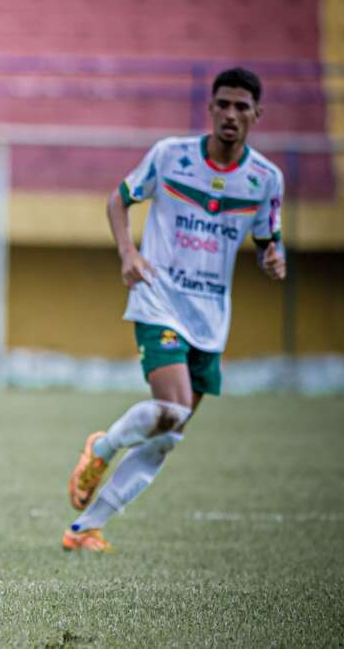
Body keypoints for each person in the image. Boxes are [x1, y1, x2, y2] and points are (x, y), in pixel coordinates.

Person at [62, 67, 286, 552]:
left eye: (241, 106)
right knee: (173, 408)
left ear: (257, 114)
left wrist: (274, 257)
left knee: (169, 433)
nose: (230, 114)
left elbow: (270, 236)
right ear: (210, 108)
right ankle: (102, 447)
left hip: (211, 317)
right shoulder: (170, 156)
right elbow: (118, 200)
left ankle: (85, 528)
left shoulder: (266, 179)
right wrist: (128, 253)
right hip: (158, 299)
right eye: (223, 104)